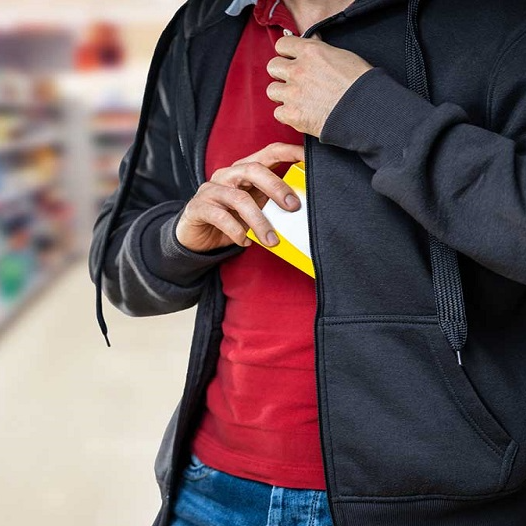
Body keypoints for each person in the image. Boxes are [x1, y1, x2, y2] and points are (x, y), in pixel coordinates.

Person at [89, 0, 526, 525]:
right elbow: (117, 264)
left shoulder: (502, 22)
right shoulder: (204, 29)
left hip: (439, 497)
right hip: (214, 486)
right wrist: (180, 237)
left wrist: (371, 111)